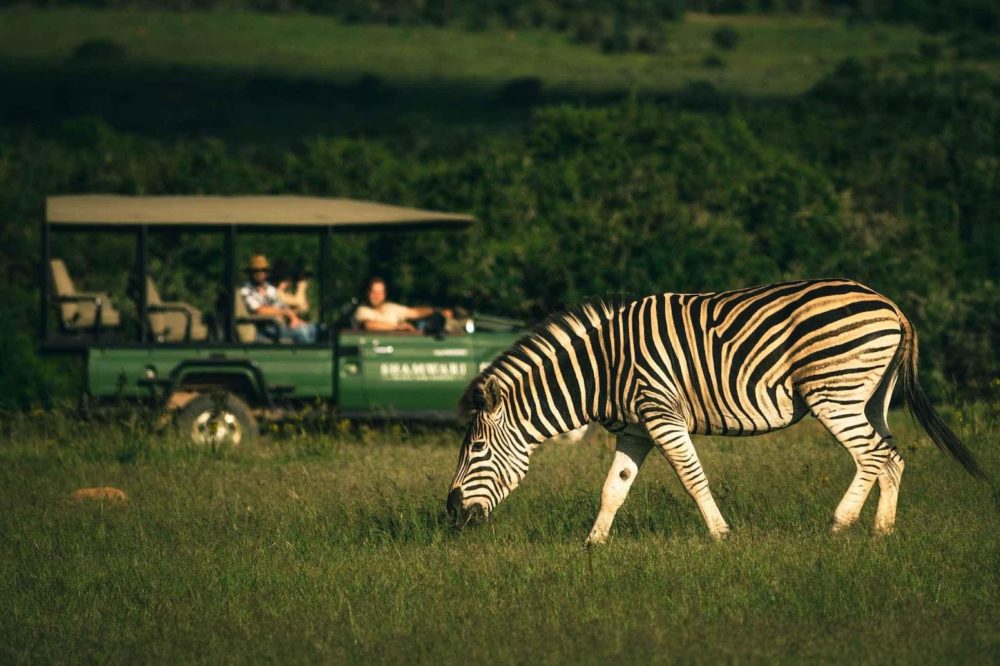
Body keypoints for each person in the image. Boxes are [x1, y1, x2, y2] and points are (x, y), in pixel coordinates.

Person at [239, 254, 317, 344]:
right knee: (302, 333)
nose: (260, 273)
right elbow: (259, 310)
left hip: (280, 326)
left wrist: (295, 319)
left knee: (315, 329)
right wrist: (285, 313)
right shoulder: (246, 290)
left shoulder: (270, 288)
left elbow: (282, 306)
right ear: (251, 273)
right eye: (256, 271)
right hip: (264, 329)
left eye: (264, 270)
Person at [354, 276, 451, 333]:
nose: (377, 296)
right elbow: (369, 325)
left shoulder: (391, 308)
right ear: (368, 293)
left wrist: (436, 311)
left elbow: (414, 312)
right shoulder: (362, 310)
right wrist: (397, 328)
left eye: (380, 293)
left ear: (384, 294)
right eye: (373, 292)